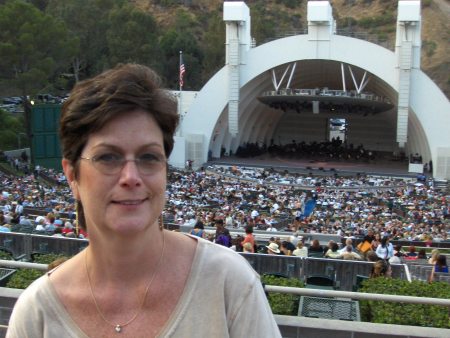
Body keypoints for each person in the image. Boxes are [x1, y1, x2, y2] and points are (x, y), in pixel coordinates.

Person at [7, 64, 281, 337]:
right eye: (108, 157)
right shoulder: (36, 314)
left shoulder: (228, 282)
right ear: (71, 175)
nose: (131, 177)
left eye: (148, 157)